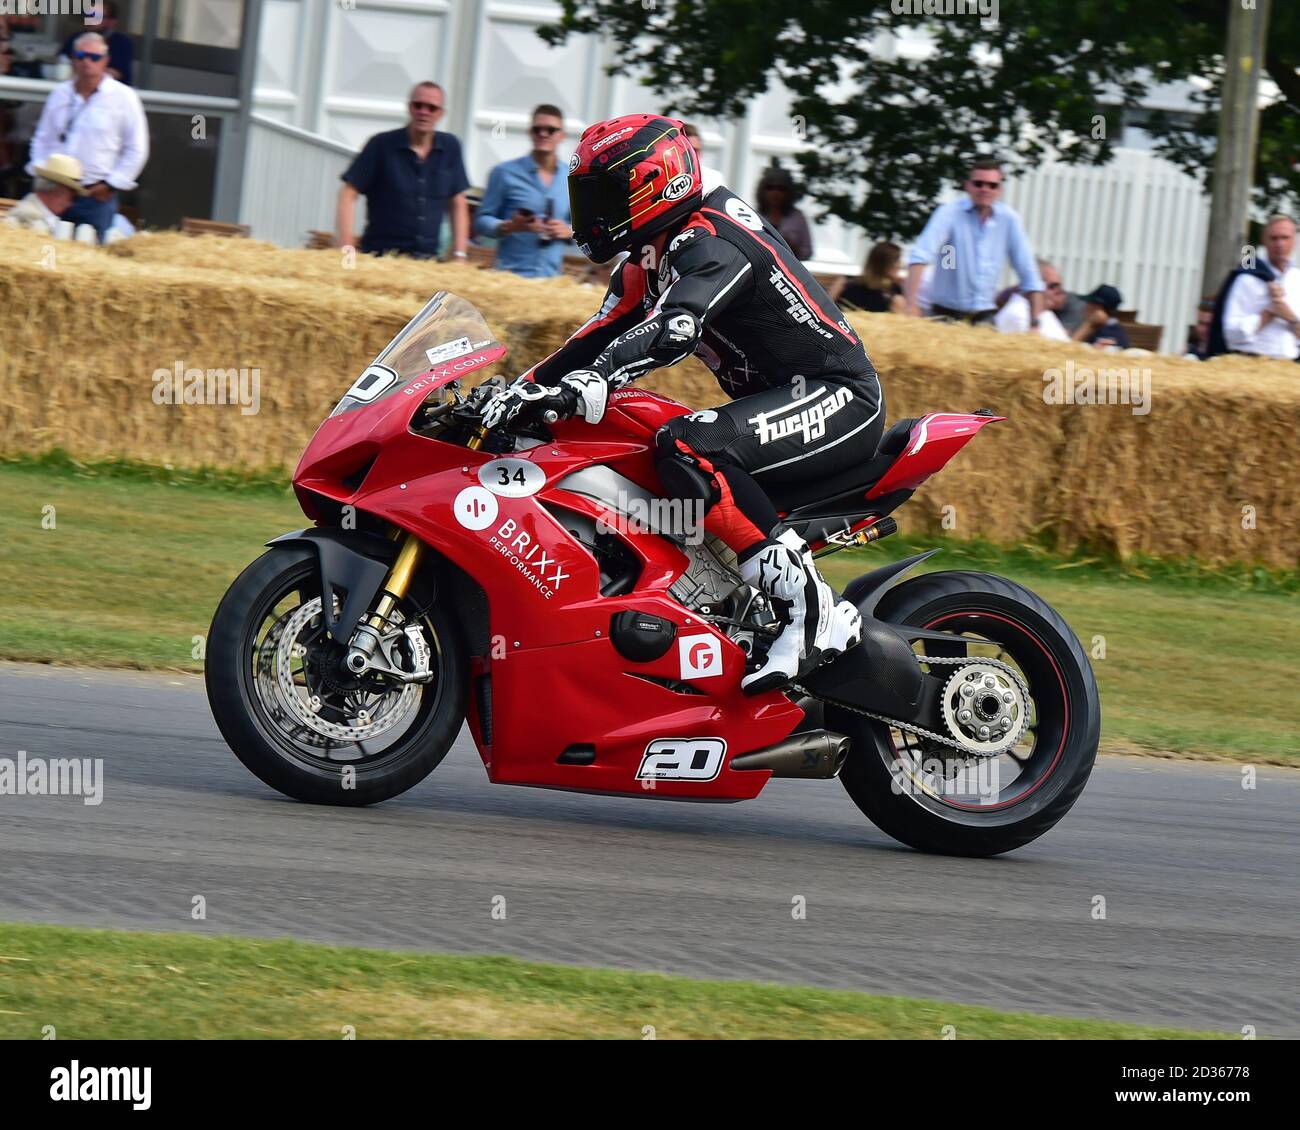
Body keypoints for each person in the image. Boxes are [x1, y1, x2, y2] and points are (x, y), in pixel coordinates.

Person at [481, 114, 884, 695]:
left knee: (691, 446)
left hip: (839, 398)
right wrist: (518, 393)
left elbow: (676, 328)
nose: (590, 212)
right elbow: (597, 336)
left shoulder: (710, 235)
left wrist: (597, 380)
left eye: (604, 195)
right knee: (635, 433)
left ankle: (813, 611)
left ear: (653, 183)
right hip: (783, 401)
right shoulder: (651, 250)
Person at [25, 32, 148, 243]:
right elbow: (42, 139)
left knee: (91, 257)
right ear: (73, 58)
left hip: (95, 195)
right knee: (45, 253)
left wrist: (110, 185)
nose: (86, 61)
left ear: (105, 61)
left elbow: (137, 148)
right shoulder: (60, 94)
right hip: (55, 190)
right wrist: (42, 171)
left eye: (94, 57)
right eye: (81, 55)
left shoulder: (124, 98)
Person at [337, 81, 470, 260]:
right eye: (418, 105)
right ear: (409, 108)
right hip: (381, 256)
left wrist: (459, 254)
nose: (424, 112)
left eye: (432, 108)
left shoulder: (451, 147)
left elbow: (458, 202)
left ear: (441, 113)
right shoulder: (380, 145)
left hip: (428, 261)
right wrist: (347, 247)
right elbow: (348, 194)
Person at [904, 157, 1044, 325]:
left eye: (992, 185)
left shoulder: (1009, 220)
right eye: (979, 183)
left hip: (984, 316)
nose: (985, 189)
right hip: (945, 315)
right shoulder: (948, 213)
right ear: (968, 185)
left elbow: (1029, 274)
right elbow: (920, 256)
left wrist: (1035, 323)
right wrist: (911, 305)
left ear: (1000, 189)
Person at [474, 103, 575, 278]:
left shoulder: (571, 178)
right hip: (509, 277)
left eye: (550, 130)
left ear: (562, 136)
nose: (543, 134)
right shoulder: (504, 173)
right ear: (530, 133)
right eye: (537, 129)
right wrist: (508, 226)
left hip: (551, 280)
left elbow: (584, 228)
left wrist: (568, 231)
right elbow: (482, 220)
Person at [1217, 215, 1300, 360]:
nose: (1280, 244)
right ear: (1264, 241)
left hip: (1289, 367)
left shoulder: (1297, 279)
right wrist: (1268, 313)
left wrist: (1289, 315)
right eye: (1274, 238)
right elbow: (1230, 333)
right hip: (1251, 363)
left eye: (1285, 238)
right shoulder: (1247, 279)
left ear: (1294, 241)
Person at [3, 152, 86, 235]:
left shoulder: (41, 215)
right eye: (71, 197)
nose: (70, 204)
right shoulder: (29, 216)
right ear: (59, 192)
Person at [995, 259, 1070, 340]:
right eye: (1052, 286)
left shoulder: (1046, 314)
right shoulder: (1019, 314)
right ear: (1034, 287)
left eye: (1060, 287)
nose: (1059, 292)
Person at [62, 0, 133, 85]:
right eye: (88, 15)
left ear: (112, 22)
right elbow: (61, 62)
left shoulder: (121, 43)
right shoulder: (76, 38)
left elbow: (116, 73)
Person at [754, 160, 813, 261]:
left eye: (781, 188)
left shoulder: (797, 217)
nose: (775, 193)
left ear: (789, 191)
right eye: (770, 188)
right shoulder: (754, 216)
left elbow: (807, 252)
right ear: (762, 190)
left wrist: (794, 248)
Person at [837, 241, 905, 313]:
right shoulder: (845, 283)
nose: (900, 265)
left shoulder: (894, 291)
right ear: (882, 263)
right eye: (897, 261)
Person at [1072, 285, 1130, 349]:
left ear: (1097, 307)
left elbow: (1069, 349)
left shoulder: (1107, 334)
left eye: (1089, 303)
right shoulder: (1115, 330)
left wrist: (1089, 325)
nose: (1085, 306)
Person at [681, 122, 724, 194]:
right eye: (687, 151)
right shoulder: (662, 178)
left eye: (695, 150)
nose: (692, 155)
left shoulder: (714, 179)